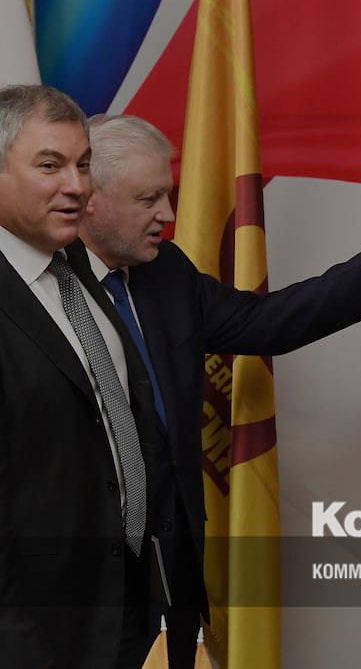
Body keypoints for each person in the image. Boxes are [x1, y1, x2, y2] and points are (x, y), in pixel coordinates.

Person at [77, 113, 361, 667]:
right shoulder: (42, 291)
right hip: (80, 580)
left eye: (169, 195)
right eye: (149, 199)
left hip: (172, 569)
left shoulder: (166, 270)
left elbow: (258, 323)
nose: (168, 215)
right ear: (89, 199)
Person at [0, 85, 165, 667]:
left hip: (119, 609)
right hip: (30, 634)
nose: (77, 186)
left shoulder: (75, 265)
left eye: (84, 164)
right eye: (50, 166)